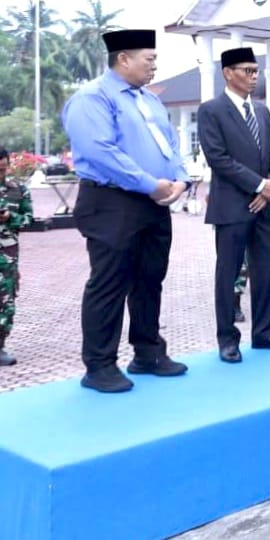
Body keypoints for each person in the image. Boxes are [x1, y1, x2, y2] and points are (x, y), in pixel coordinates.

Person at [61, 29, 190, 393]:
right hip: (111, 202)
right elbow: (101, 151)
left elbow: (170, 143)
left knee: (150, 279)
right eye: (149, 59)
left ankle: (148, 353)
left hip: (154, 204)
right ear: (124, 59)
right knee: (110, 282)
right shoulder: (93, 98)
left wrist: (180, 179)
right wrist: (151, 183)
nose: (154, 66)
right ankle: (99, 365)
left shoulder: (149, 100)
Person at [197, 47, 270, 363]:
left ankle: (265, 333)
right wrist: (258, 184)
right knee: (228, 274)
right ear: (228, 72)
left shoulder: (263, 112)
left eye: (256, 71)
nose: (254, 77)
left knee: (267, 270)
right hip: (232, 206)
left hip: (265, 205)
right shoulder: (211, 110)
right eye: (247, 71)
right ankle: (228, 340)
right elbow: (218, 158)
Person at [0, 148, 34, 367]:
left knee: (5, 301)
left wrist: (10, 217)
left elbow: (29, 219)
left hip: (7, 255)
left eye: (3, 168)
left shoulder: (18, 190)